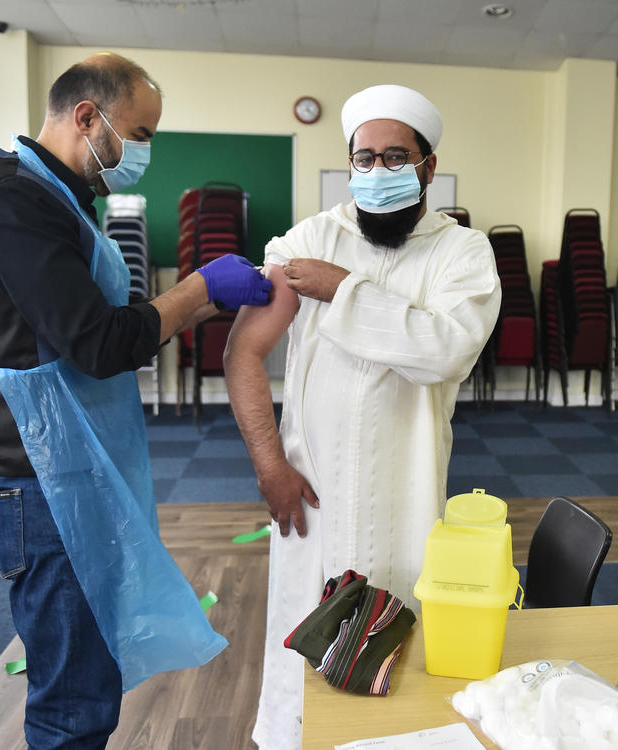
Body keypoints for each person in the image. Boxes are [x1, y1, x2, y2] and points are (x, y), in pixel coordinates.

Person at [0, 53, 271, 749]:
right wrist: (197, 290)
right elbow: (96, 342)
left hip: (70, 465)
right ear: (87, 116)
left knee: (87, 672)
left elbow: (85, 324)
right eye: (142, 133)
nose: (146, 152)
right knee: (72, 699)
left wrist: (190, 308)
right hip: (37, 478)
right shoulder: (11, 201)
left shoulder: (61, 198)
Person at [223, 83, 502, 749]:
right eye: (364, 159)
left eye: (395, 158)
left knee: (394, 659)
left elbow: (443, 352)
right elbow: (245, 352)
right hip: (309, 492)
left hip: (404, 497)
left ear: (429, 166)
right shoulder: (311, 240)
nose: (377, 173)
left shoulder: (462, 255)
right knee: (302, 644)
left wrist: (345, 291)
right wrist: (269, 466)